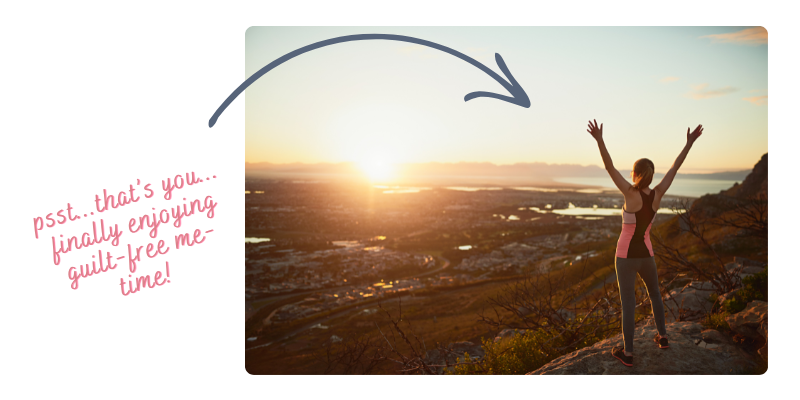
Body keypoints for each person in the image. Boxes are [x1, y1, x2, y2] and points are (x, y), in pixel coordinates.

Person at [586, 119, 703, 367]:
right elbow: (675, 167)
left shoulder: (630, 194)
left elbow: (609, 167)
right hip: (647, 255)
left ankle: (628, 353)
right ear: (651, 175)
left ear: (636, 174)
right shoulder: (657, 194)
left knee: (628, 304)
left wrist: (600, 140)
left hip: (625, 257)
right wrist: (689, 143)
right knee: (656, 296)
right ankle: (662, 337)